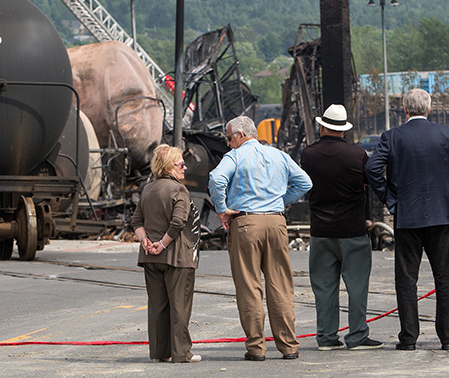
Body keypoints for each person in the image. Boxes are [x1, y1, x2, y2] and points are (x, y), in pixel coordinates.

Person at [366, 89, 449, 351]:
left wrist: (390, 200)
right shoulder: (447, 134)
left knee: (407, 279)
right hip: (442, 214)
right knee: (445, 277)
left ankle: (408, 338)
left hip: (407, 217)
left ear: (405, 110)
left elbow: (372, 169)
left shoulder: (392, 137)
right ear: (429, 110)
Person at [208, 115, 312, 361]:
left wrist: (222, 209)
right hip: (276, 222)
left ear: (241, 136)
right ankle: (289, 346)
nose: (228, 143)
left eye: (230, 137)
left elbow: (216, 178)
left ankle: (256, 348)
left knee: (249, 287)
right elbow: (305, 183)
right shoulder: (278, 155)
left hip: (246, 223)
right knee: (281, 286)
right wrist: (279, 202)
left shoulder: (235, 156)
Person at [300, 104, 383, 351]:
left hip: (320, 232)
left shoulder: (308, 155)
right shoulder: (358, 155)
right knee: (356, 286)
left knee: (324, 287)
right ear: (344, 131)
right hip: (352, 231)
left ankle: (326, 337)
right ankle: (357, 335)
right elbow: (371, 184)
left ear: (322, 126)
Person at [132, 144, 202, 363]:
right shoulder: (179, 189)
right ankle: (181, 353)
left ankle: (159, 353)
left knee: (157, 306)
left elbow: (136, 220)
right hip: (177, 256)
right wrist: (161, 244)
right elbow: (179, 222)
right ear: (170, 166)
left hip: (150, 257)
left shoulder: (147, 188)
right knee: (180, 305)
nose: (185, 168)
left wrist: (146, 241)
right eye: (181, 164)